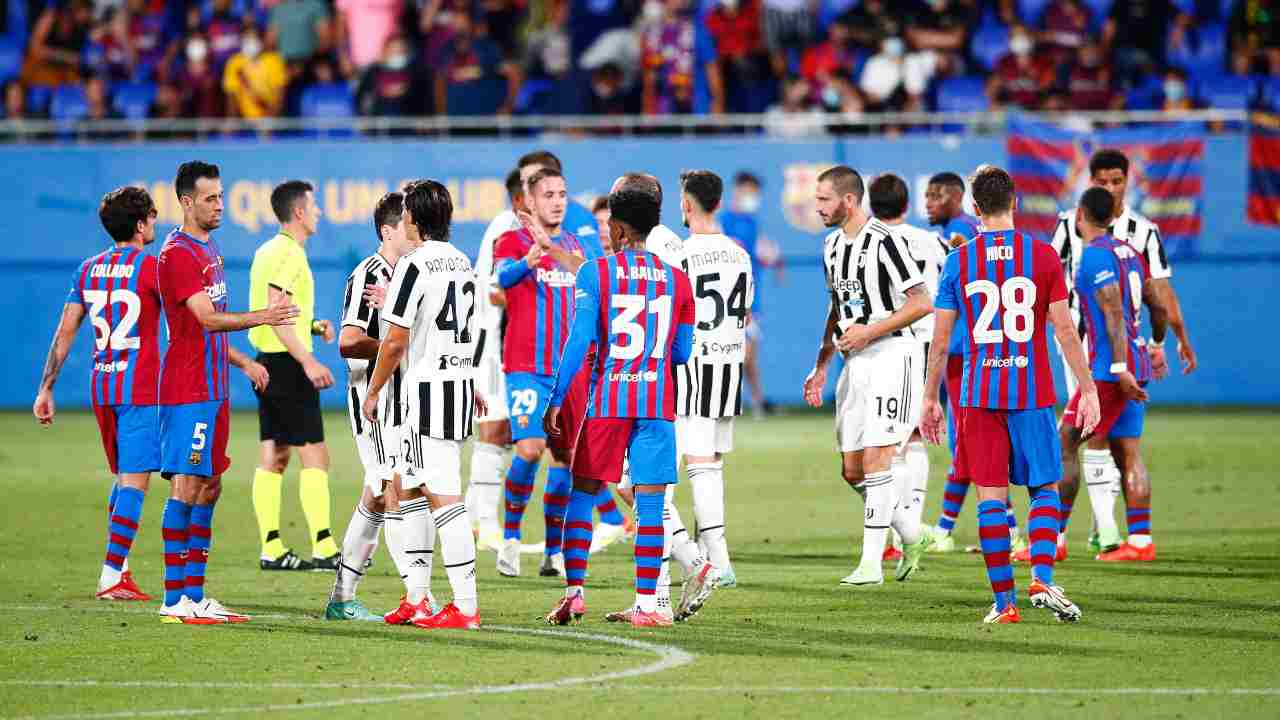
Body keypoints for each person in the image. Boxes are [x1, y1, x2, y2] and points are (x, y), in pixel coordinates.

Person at [921, 164, 1097, 625]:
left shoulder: (959, 261)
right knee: (1043, 489)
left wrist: (930, 399)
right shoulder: (1042, 257)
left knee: (992, 501)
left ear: (975, 208)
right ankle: (1041, 575)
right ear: (1014, 203)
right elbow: (1065, 329)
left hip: (978, 394)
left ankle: (1005, 604)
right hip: (1032, 391)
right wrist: (1088, 388)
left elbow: (940, 340)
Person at [543, 173, 696, 628]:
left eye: (610, 223)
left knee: (583, 494)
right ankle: (648, 606)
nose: (606, 230)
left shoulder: (596, 272)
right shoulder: (678, 280)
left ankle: (574, 595)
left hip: (609, 399)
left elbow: (579, 340)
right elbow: (682, 353)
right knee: (651, 505)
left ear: (621, 230)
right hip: (657, 403)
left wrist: (556, 396)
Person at [156, 160, 299, 624]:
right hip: (189, 388)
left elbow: (213, 327)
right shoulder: (177, 254)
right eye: (210, 198)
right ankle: (174, 598)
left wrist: (243, 362)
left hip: (214, 386)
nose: (220, 205)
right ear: (186, 201)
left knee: (211, 485)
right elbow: (205, 319)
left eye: (220, 196)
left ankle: (195, 595)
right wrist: (264, 318)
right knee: (188, 485)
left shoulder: (208, 248)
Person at [1049, 149, 1196, 556]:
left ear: (1082, 213)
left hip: (1105, 363)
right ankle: (1137, 539)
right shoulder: (1128, 249)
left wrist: (1119, 366)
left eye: (1118, 181)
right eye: (1105, 182)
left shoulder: (1098, 252)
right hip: (1121, 355)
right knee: (1124, 447)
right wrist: (1155, 344)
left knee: (1065, 442)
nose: (1112, 189)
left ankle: (1058, 539)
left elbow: (1112, 308)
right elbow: (1157, 302)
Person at [802, 166, 933, 588]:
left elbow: (922, 302)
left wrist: (870, 331)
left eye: (824, 199)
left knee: (879, 460)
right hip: (854, 362)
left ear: (849, 200)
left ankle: (870, 565)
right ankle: (913, 533)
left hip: (893, 354)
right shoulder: (831, 247)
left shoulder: (885, 242)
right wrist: (821, 365)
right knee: (852, 470)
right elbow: (836, 309)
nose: (817, 207)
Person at [33, 186, 166, 602]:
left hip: (103, 386)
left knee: (124, 474)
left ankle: (120, 567)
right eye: (153, 217)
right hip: (139, 386)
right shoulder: (151, 269)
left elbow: (65, 330)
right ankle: (111, 574)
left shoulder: (88, 269)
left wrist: (46, 388)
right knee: (136, 481)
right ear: (141, 224)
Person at [363, 179, 483, 630]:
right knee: (408, 487)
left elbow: (395, 340)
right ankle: (418, 598)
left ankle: (466, 606)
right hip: (454, 385)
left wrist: (373, 391)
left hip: (427, 392)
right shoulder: (461, 261)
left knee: (442, 497)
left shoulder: (414, 265)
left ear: (413, 218)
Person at [326, 191, 425, 622]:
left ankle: (342, 595)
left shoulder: (409, 273)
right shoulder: (369, 273)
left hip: (402, 401)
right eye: (407, 223)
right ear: (388, 230)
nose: (414, 230)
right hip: (373, 401)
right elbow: (347, 340)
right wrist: (392, 348)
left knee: (381, 490)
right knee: (393, 489)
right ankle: (416, 597)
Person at [492, 167, 586, 578]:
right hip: (526, 368)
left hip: (566, 373)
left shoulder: (572, 245)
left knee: (565, 459)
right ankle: (511, 538)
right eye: (548, 194)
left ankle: (553, 550)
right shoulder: (512, 240)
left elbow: (589, 280)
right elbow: (501, 277)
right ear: (529, 200)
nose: (558, 200)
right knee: (529, 448)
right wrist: (529, 261)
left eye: (562, 193)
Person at [923, 171, 1023, 553]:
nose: (929, 202)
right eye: (928, 195)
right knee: (965, 446)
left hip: (967, 354)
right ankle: (947, 529)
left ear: (959, 197)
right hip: (972, 353)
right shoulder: (962, 231)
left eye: (937, 195)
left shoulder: (962, 235)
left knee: (974, 446)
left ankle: (1010, 534)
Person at [248, 181, 341, 572]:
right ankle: (324, 547)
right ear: (299, 213)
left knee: (274, 455)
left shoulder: (267, 250)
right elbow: (276, 307)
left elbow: (277, 312)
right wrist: (308, 360)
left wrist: (312, 326)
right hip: (287, 364)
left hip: (267, 360)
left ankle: (271, 546)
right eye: (314, 206)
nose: (319, 212)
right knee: (315, 455)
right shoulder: (290, 253)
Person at [672, 169, 752, 593]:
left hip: (693, 367)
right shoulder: (740, 255)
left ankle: (716, 561)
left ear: (686, 205)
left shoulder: (681, 255)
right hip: (728, 366)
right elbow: (746, 312)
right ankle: (712, 558)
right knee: (712, 465)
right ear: (719, 203)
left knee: (697, 466)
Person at [869, 173, 948, 563]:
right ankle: (908, 528)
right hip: (928, 341)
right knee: (913, 436)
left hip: (886, 344)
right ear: (907, 204)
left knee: (885, 440)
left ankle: (891, 532)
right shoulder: (932, 240)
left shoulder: (867, 243)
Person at [466, 169, 522, 551]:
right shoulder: (506, 227)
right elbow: (494, 292)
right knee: (495, 430)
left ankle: (475, 516)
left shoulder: (519, 230)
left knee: (504, 435)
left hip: (506, 343)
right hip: (490, 343)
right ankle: (483, 521)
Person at [719, 172, 776, 415]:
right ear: (738, 190)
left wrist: (771, 256)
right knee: (736, 354)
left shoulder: (753, 223)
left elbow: (762, 254)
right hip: (727, 298)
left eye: (756, 192)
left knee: (749, 355)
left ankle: (756, 401)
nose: (753, 197)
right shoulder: (724, 220)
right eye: (749, 191)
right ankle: (733, 400)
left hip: (752, 298)